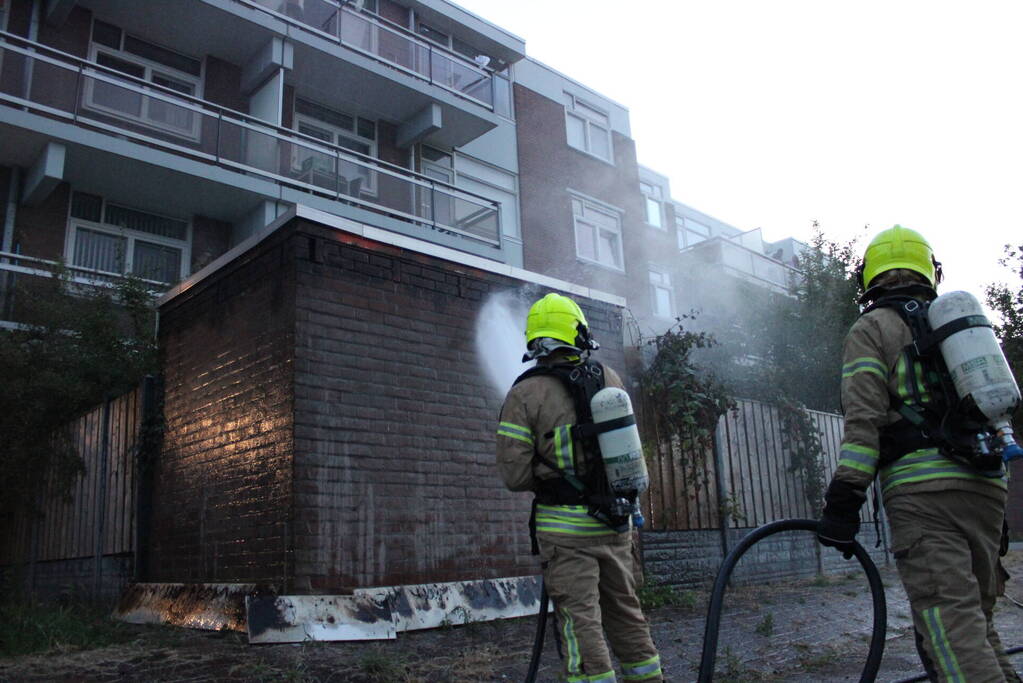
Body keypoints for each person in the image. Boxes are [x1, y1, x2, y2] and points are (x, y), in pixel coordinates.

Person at [817, 225, 1019, 682]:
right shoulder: (958, 330)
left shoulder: (871, 328)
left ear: (868, 278)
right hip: (987, 488)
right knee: (977, 623)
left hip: (923, 493)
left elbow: (864, 422)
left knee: (950, 625)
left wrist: (844, 500)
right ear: (931, 272)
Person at [496, 292, 663, 683]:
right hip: (615, 524)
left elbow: (514, 476)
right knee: (626, 611)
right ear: (578, 333)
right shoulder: (608, 378)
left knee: (580, 621)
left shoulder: (524, 394)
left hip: (565, 533)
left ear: (536, 338)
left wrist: (549, 468)